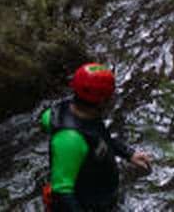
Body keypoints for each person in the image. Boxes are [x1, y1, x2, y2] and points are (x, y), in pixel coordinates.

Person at [41, 63, 152, 211]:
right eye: (112, 95)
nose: (114, 98)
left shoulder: (78, 112)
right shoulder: (70, 140)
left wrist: (129, 153)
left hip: (97, 190)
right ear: (102, 101)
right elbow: (62, 191)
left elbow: (100, 139)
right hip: (87, 204)